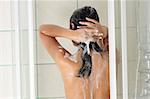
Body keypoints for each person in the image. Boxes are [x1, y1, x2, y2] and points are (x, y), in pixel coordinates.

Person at [39, 6, 109, 99]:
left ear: (72, 26)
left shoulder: (67, 62)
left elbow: (42, 31)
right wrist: (104, 30)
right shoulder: (110, 59)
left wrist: (72, 34)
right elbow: (113, 36)